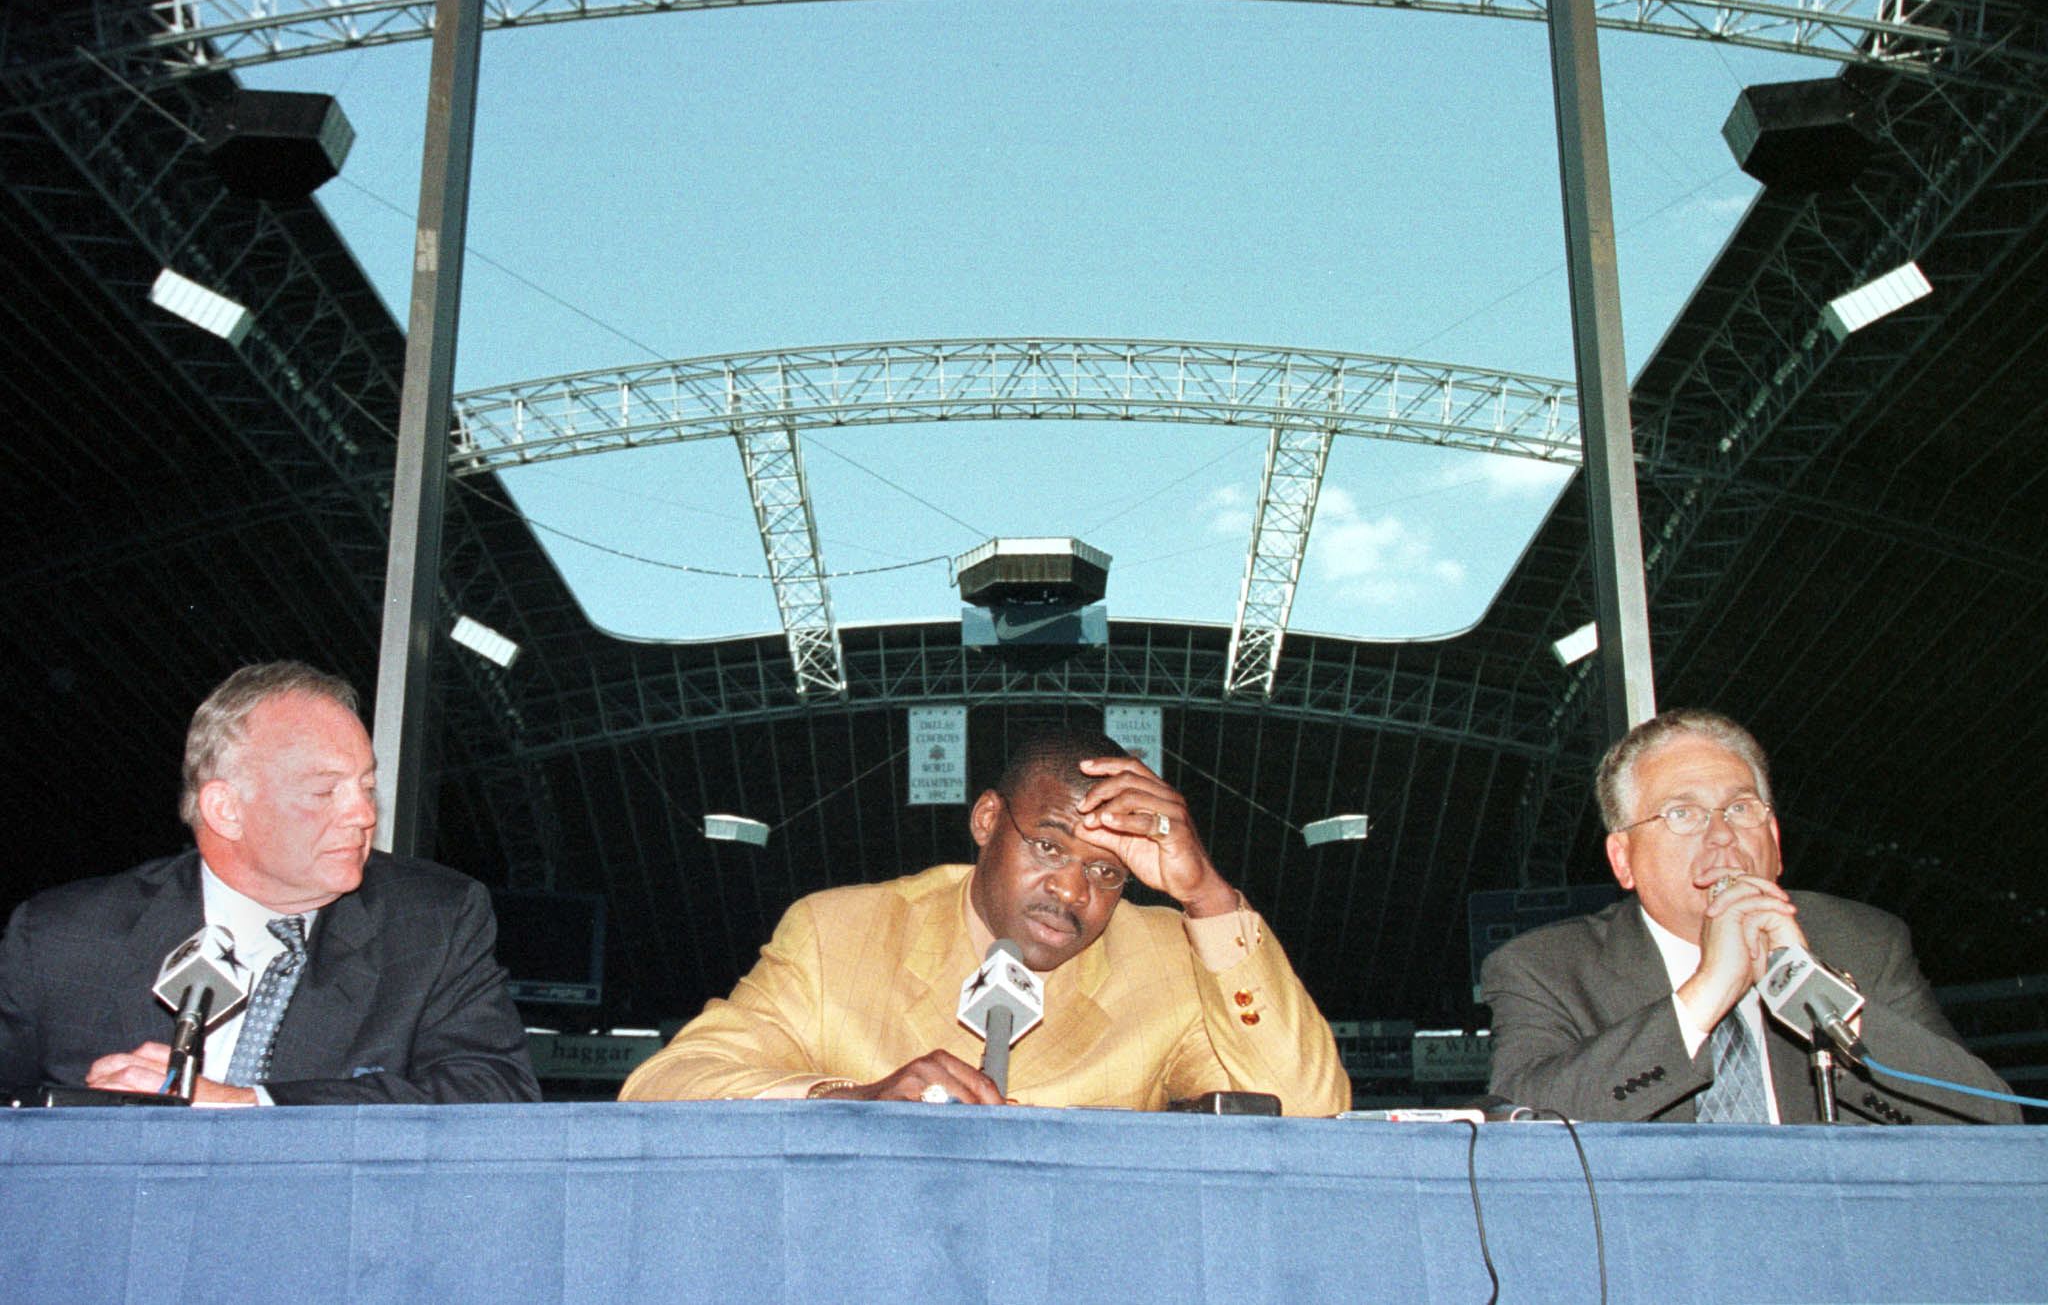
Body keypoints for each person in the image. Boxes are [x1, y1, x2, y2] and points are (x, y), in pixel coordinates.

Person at [621, 727, 1349, 1114]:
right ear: (987, 818)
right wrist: (852, 1100)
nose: (1071, 889)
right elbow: (665, 1082)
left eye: (1105, 870)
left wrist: (1207, 896)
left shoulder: (1167, 959)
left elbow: (1313, 1109)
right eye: (1048, 844)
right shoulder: (835, 933)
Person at [0, 661, 539, 1105]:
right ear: (226, 809)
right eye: (324, 791)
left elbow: (493, 1093)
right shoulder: (60, 938)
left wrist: (247, 1105)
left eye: (366, 785)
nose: (361, 814)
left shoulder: (432, 921)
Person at [1482, 709, 2017, 1124]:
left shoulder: (1864, 942)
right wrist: (1709, 989)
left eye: (1740, 809)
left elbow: (1989, 1118)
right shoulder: (1546, 967)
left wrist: (1808, 986)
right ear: (1624, 860)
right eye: (1682, 814)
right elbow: (1525, 1125)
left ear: (1776, 843)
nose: (1723, 837)